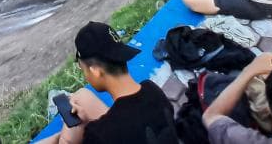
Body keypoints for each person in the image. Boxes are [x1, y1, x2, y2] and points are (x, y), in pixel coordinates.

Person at [36, 22, 178, 144]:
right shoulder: (152, 90)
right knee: (82, 97)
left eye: (82, 68)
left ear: (95, 71)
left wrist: (66, 136)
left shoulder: (100, 135)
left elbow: (106, 132)